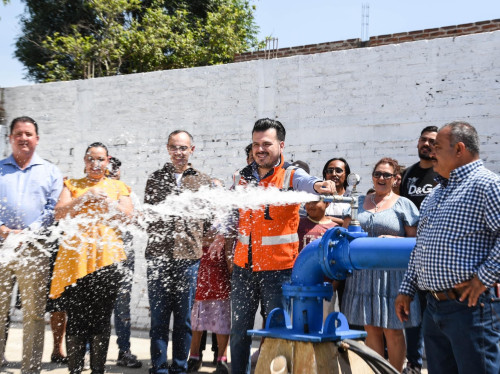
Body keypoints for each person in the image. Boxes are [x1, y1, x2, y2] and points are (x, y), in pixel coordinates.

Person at [230, 118, 336, 374]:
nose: (260, 149)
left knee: (279, 332)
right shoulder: (240, 177)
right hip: (243, 268)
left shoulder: (290, 175)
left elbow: (308, 183)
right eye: (256, 144)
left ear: (280, 144)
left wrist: (320, 186)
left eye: (267, 143)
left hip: (278, 271)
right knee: (239, 332)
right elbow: (232, 217)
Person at [396, 121, 500, 374]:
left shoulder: (487, 185)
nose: (431, 153)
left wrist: (483, 278)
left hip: (471, 309)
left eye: (437, 147)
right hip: (434, 309)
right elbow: (422, 246)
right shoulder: (436, 194)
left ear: (459, 149)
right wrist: (407, 288)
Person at [50, 142, 133, 374]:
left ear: (108, 161)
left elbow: (128, 217)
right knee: (76, 319)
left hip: (106, 260)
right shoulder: (72, 185)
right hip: (76, 262)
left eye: (100, 159)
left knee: (101, 319)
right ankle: (75, 370)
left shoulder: (118, 186)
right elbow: (59, 213)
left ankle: (97, 370)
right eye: (91, 159)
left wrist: (108, 202)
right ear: (84, 161)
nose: (95, 164)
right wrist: (85, 197)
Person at [341, 157, 420, 373]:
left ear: (396, 179)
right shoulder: (358, 202)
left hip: (393, 275)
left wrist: (396, 241)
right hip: (362, 274)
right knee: (371, 328)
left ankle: (394, 371)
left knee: (392, 330)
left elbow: (417, 242)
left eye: (387, 175)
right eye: (377, 174)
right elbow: (346, 232)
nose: (381, 178)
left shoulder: (405, 205)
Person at [144, 130, 211, 374]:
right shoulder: (155, 178)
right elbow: (149, 217)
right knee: (159, 318)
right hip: (158, 258)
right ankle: (159, 367)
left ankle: (180, 367)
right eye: (174, 147)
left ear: (192, 150)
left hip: (189, 260)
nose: (179, 152)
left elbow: (210, 220)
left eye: (184, 148)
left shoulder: (202, 181)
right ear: (168, 149)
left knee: (184, 320)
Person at [0, 116, 63, 374]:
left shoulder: (50, 171)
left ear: (37, 138)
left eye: (28, 134)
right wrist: (2, 229)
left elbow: (54, 209)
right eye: (18, 133)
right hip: (1, 247)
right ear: (10, 137)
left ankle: (31, 369)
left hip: (35, 249)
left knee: (34, 315)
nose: (23, 138)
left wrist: (29, 231)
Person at [399, 126, 437, 374]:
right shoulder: (409, 174)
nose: (426, 144)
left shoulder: (443, 173)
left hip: (436, 252)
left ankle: (435, 362)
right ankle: (413, 362)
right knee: (412, 312)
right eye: (423, 139)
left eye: (432, 141)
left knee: (433, 313)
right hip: (410, 253)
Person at [187, 181, 233, 374]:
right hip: (200, 269)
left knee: (221, 317)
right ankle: (194, 356)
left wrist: (231, 267)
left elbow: (230, 239)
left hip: (220, 270)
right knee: (197, 317)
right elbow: (193, 238)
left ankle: (222, 358)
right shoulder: (196, 213)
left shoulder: (228, 215)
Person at [107, 157, 142, 369]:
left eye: (115, 170)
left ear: (119, 172)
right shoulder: (96, 191)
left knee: (122, 308)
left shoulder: (128, 194)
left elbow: (136, 219)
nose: (111, 173)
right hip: (98, 258)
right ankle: (87, 352)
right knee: (94, 306)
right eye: (108, 169)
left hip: (123, 257)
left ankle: (124, 351)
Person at [322, 157, 352, 227]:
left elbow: (354, 224)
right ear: (325, 175)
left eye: (338, 171)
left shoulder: (353, 199)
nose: (334, 174)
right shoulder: (318, 196)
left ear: (346, 175)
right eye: (330, 171)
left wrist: (329, 219)